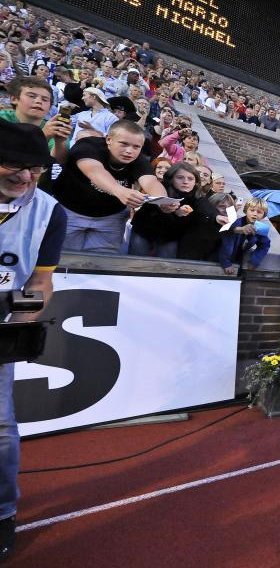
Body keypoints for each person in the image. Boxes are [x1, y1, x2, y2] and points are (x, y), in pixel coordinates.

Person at [0, 120, 67, 561]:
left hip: (0, 323)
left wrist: (16, 319)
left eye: (36, 170)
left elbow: (41, 283)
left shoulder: (50, 211)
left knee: (2, 431)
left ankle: (3, 513)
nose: (26, 178)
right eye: (15, 168)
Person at [52, 120, 166, 253]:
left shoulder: (139, 160)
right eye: (123, 144)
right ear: (109, 140)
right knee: (61, 259)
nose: (129, 151)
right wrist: (120, 191)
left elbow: (150, 182)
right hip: (69, 212)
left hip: (110, 218)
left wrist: (164, 201)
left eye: (136, 147)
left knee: (102, 264)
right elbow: (94, 170)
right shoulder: (88, 145)